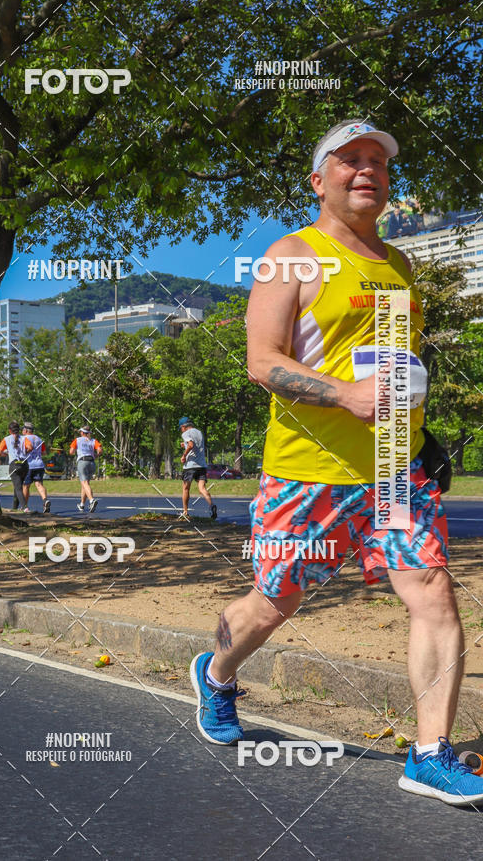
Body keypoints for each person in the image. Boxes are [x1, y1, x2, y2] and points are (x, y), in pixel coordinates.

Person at [190, 119, 483, 806]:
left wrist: (417, 427)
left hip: (392, 467)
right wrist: (344, 396)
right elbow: (263, 362)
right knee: (273, 605)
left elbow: (387, 362)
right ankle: (218, 673)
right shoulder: (291, 255)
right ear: (319, 181)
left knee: (434, 595)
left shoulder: (399, 264)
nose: (367, 170)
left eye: (378, 161)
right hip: (307, 470)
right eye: (349, 160)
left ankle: (431, 753)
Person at [179, 416, 217, 520]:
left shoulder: (185, 433)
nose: (181, 431)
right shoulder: (199, 432)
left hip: (190, 466)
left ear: (183, 426)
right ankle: (211, 505)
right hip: (201, 465)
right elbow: (194, 445)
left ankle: (185, 512)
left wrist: (184, 455)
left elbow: (191, 445)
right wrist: (185, 444)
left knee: (186, 488)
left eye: (181, 428)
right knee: (202, 489)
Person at [0, 421, 32, 512]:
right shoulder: (24, 439)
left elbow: (0, 452)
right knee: (18, 486)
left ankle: (25, 507)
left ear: (10, 431)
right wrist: (24, 452)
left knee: (18, 487)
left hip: (14, 465)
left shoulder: (6, 439)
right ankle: (15, 508)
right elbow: (30, 447)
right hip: (24, 464)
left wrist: (6, 454)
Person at [69, 425, 102, 512]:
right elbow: (100, 450)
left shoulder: (77, 440)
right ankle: (82, 504)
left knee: (84, 482)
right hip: (91, 462)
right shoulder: (93, 440)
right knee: (85, 483)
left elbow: (71, 452)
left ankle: (91, 500)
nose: (80, 433)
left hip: (82, 461)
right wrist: (95, 455)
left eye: (81, 432)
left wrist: (76, 451)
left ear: (82, 433)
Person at [21, 422, 51, 513]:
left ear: (26, 430)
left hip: (29, 465)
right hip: (39, 465)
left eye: (23, 430)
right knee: (39, 484)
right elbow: (44, 453)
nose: (22, 431)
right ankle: (45, 500)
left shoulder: (24, 439)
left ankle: (24, 507)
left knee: (26, 486)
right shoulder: (39, 439)